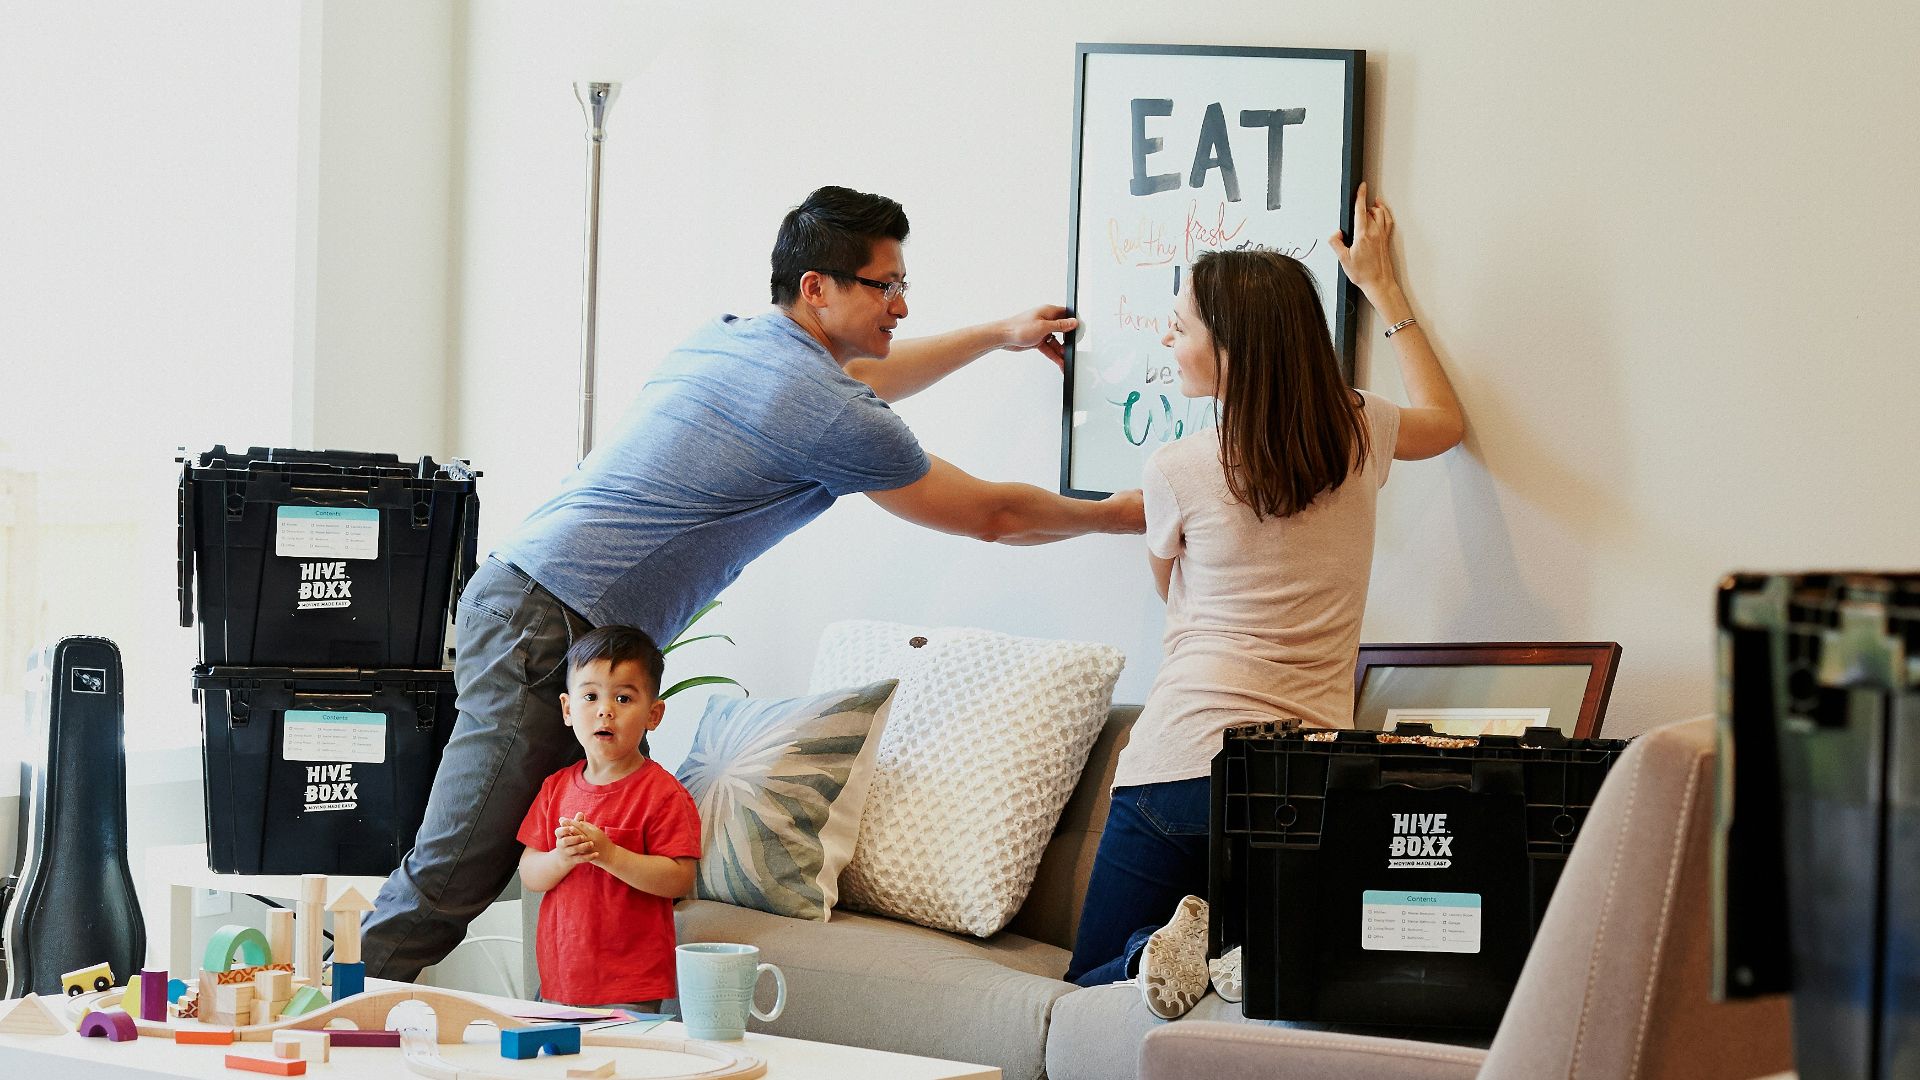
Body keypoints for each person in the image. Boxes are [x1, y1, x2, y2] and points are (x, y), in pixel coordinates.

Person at [361, 185, 1146, 980]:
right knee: (457, 868)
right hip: (550, 621)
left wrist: (993, 335)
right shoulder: (826, 409)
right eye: (886, 286)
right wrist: (1121, 513)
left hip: (527, 597)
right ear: (818, 288)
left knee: (469, 860)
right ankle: (322, 1028)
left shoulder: (735, 338)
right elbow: (993, 515)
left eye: (905, 287)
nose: (900, 308)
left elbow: (868, 377)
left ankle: (344, 1012)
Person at [1064, 183, 1466, 1019]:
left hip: (1178, 766)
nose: (1168, 334)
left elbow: (1167, 586)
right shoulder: (1360, 431)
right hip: (1305, 777)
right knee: (1279, 978)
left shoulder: (1177, 468)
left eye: (1183, 324)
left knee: (1093, 978)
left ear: (1233, 347)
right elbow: (1447, 421)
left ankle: (1177, 951)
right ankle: (1236, 951)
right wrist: (1384, 289)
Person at [516, 625, 699, 1010]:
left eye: (623, 697)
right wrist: (563, 858)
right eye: (590, 696)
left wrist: (609, 854)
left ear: (654, 713)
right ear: (568, 710)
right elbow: (531, 873)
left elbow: (679, 878)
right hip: (562, 975)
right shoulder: (555, 788)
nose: (605, 710)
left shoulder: (663, 794)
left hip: (632, 983)